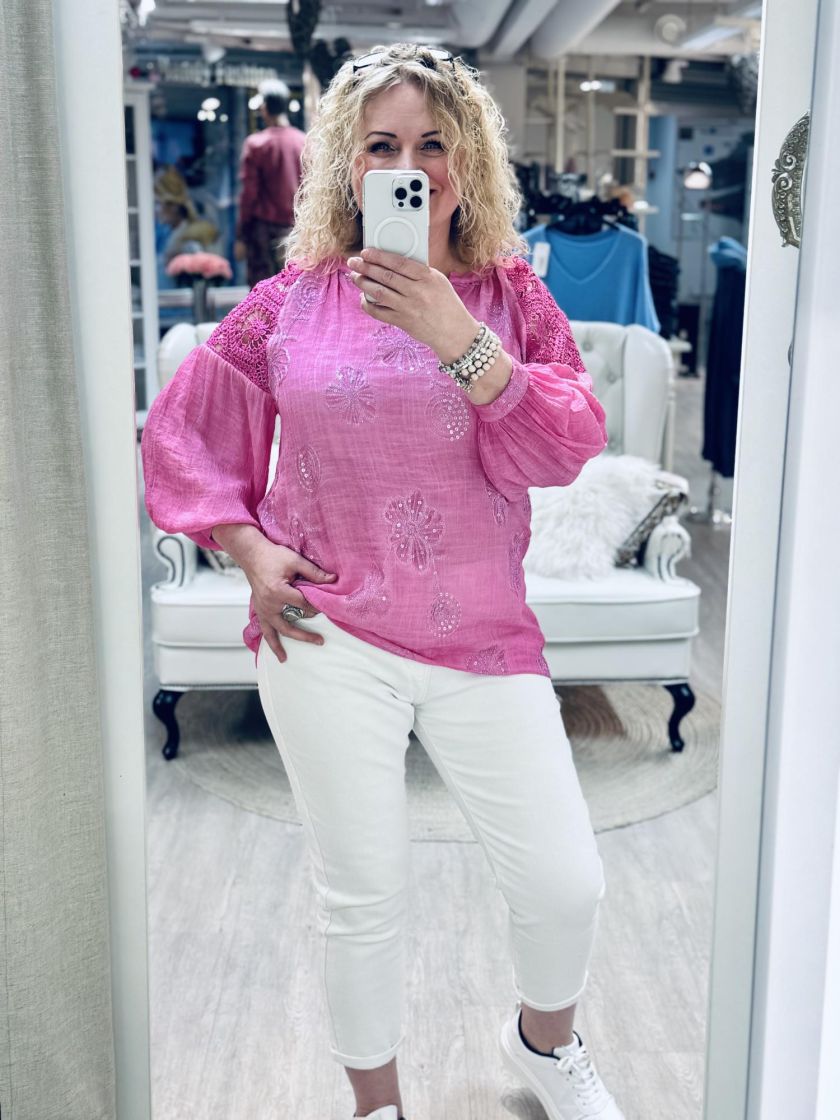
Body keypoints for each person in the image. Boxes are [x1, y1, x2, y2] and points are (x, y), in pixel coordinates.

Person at [141, 42, 623, 1120]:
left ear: (469, 160)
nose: (410, 167)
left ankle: (547, 1047)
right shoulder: (289, 302)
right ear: (347, 168)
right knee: (362, 894)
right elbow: (184, 435)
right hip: (328, 634)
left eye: (433, 144)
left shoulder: (512, 300)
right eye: (382, 146)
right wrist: (248, 550)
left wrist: (460, 338)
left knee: (564, 882)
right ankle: (377, 1106)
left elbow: (565, 442)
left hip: (484, 634)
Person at [235, 78, 307, 287]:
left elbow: (248, 195)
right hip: (298, 232)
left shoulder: (256, 144)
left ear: (265, 108)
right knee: (295, 292)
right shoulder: (305, 142)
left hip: (263, 236)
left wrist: (241, 236)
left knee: (264, 294)